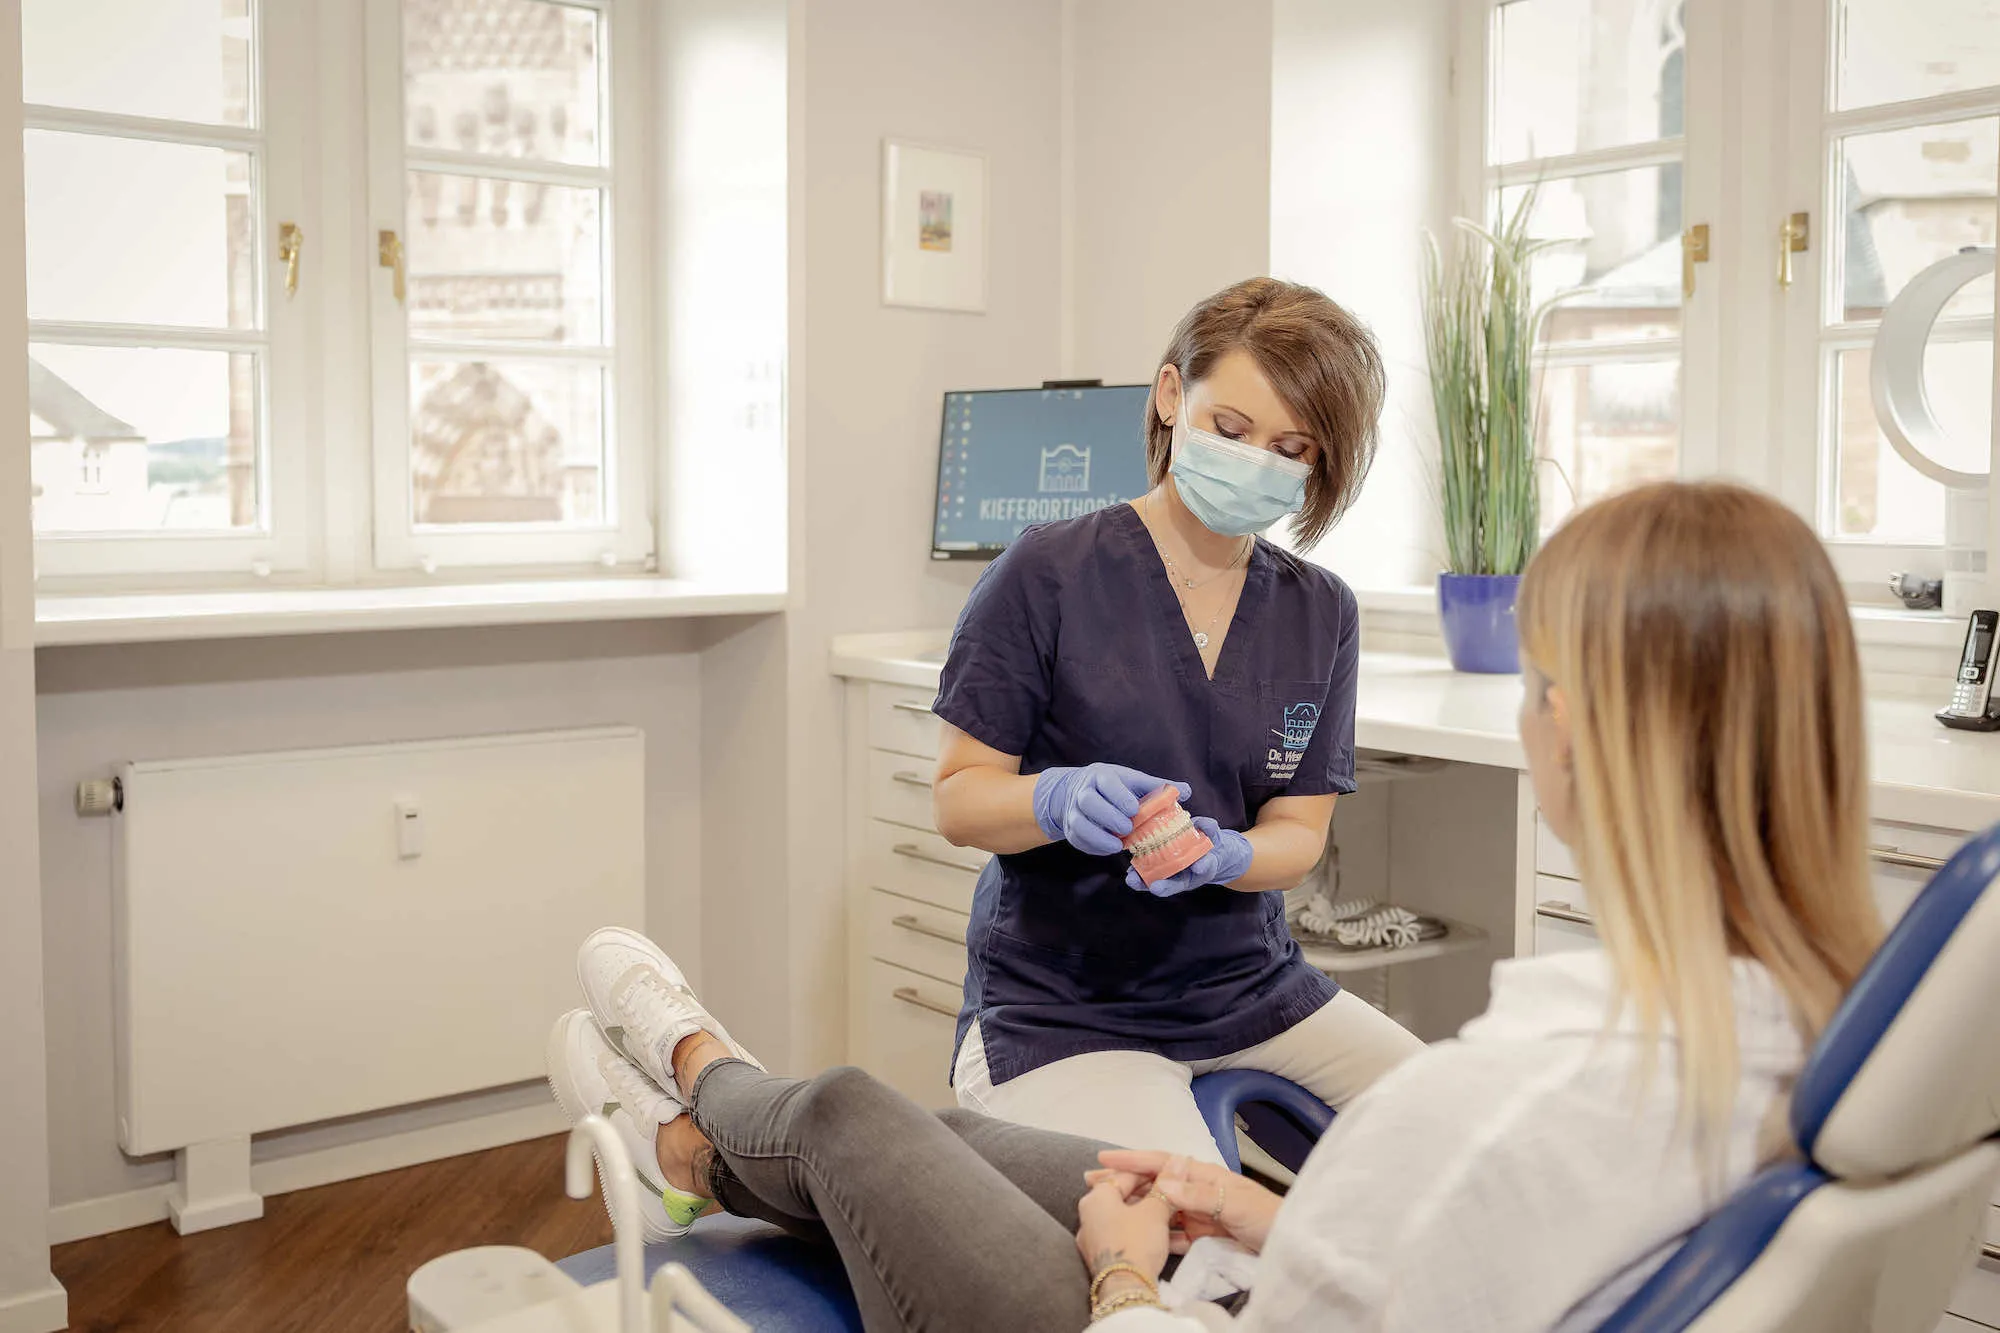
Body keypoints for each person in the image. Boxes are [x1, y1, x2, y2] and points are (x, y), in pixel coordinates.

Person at [546, 480, 1885, 1330]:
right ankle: (693, 1130)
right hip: (1197, 1181)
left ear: (1575, 734)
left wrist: (1128, 1276)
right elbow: (1459, 1269)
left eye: (1536, 681)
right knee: (929, 1134)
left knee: (846, 1112)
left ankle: (687, 1083)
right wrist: (1257, 1215)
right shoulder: (1804, 1045)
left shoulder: (1502, 1110)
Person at [929, 277, 1423, 1159]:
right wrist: (1053, 799)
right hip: (1065, 1006)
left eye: (1289, 446)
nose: (1254, 461)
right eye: (1230, 431)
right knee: (1186, 1236)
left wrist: (1231, 856)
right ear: (1170, 397)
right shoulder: (1045, 574)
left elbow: (1298, 834)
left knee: (1466, 1136)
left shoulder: (1321, 610)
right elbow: (961, 799)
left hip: (1251, 987)